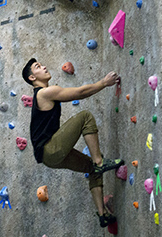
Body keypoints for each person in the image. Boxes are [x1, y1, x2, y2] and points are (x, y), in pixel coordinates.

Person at [22, 58, 124, 228]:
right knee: (85, 117)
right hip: (50, 149)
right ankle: (99, 162)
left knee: (91, 168)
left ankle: (103, 214)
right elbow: (80, 93)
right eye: (38, 67)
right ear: (32, 78)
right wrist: (104, 83)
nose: (44, 66)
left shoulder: (43, 94)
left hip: (49, 158)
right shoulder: (43, 93)